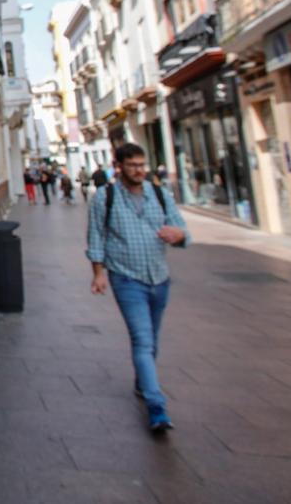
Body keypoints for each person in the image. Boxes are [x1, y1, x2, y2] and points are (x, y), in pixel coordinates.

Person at [87, 143, 190, 432]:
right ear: (118, 166)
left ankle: (142, 382)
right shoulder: (104, 198)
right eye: (132, 165)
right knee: (142, 339)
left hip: (159, 277)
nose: (139, 170)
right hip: (125, 277)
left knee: (152, 340)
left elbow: (182, 229)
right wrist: (98, 274)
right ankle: (156, 405)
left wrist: (178, 234)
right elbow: (95, 236)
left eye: (142, 164)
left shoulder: (160, 195)